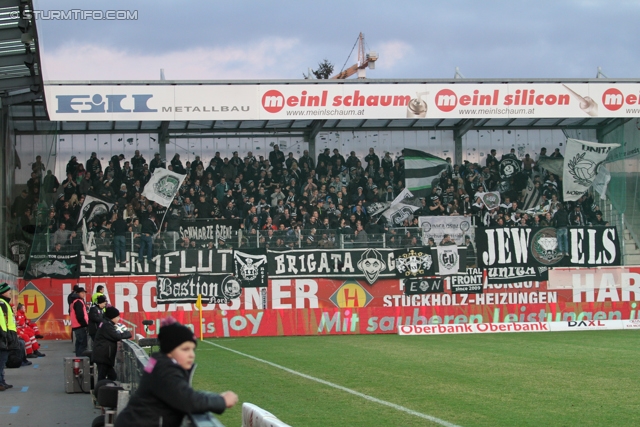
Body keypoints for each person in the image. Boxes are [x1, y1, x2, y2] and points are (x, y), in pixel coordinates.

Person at [115, 317, 238, 427]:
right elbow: (188, 400)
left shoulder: (159, 364)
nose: (191, 355)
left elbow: (184, 392)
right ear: (169, 350)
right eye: (185, 349)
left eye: (192, 349)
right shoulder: (164, 371)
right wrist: (222, 401)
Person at [93, 307, 132, 381]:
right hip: (103, 356)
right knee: (104, 377)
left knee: (110, 376)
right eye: (117, 316)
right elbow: (116, 336)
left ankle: (103, 390)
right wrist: (127, 333)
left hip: (103, 355)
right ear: (112, 317)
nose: (118, 318)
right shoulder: (107, 325)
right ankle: (100, 391)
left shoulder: (105, 323)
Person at [0, 282, 18, 390]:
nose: (10, 292)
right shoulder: (2, 303)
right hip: (4, 336)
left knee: (3, 360)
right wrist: (5, 335)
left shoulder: (4, 303)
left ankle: (2, 381)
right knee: (1, 360)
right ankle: (0, 382)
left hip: (5, 335)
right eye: (8, 291)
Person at [70, 287, 89, 357]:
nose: (84, 294)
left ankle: (78, 359)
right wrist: (84, 324)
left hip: (76, 325)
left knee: (79, 343)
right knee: (83, 344)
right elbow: (80, 315)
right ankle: (81, 359)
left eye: (84, 293)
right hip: (80, 325)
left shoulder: (74, 301)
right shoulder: (78, 302)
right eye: (82, 293)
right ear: (78, 293)